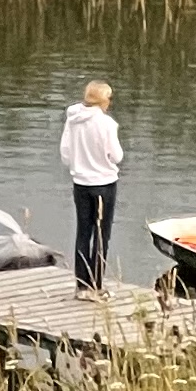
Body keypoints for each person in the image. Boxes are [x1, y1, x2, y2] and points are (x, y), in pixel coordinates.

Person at [58, 78, 124, 291]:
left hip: (80, 184)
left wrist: (80, 163)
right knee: (101, 236)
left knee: (83, 233)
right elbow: (117, 156)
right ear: (103, 100)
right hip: (104, 184)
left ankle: (82, 285)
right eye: (109, 98)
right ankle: (97, 286)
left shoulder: (72, 119)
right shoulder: (107, 124)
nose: (110, 102)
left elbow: (65, 154)